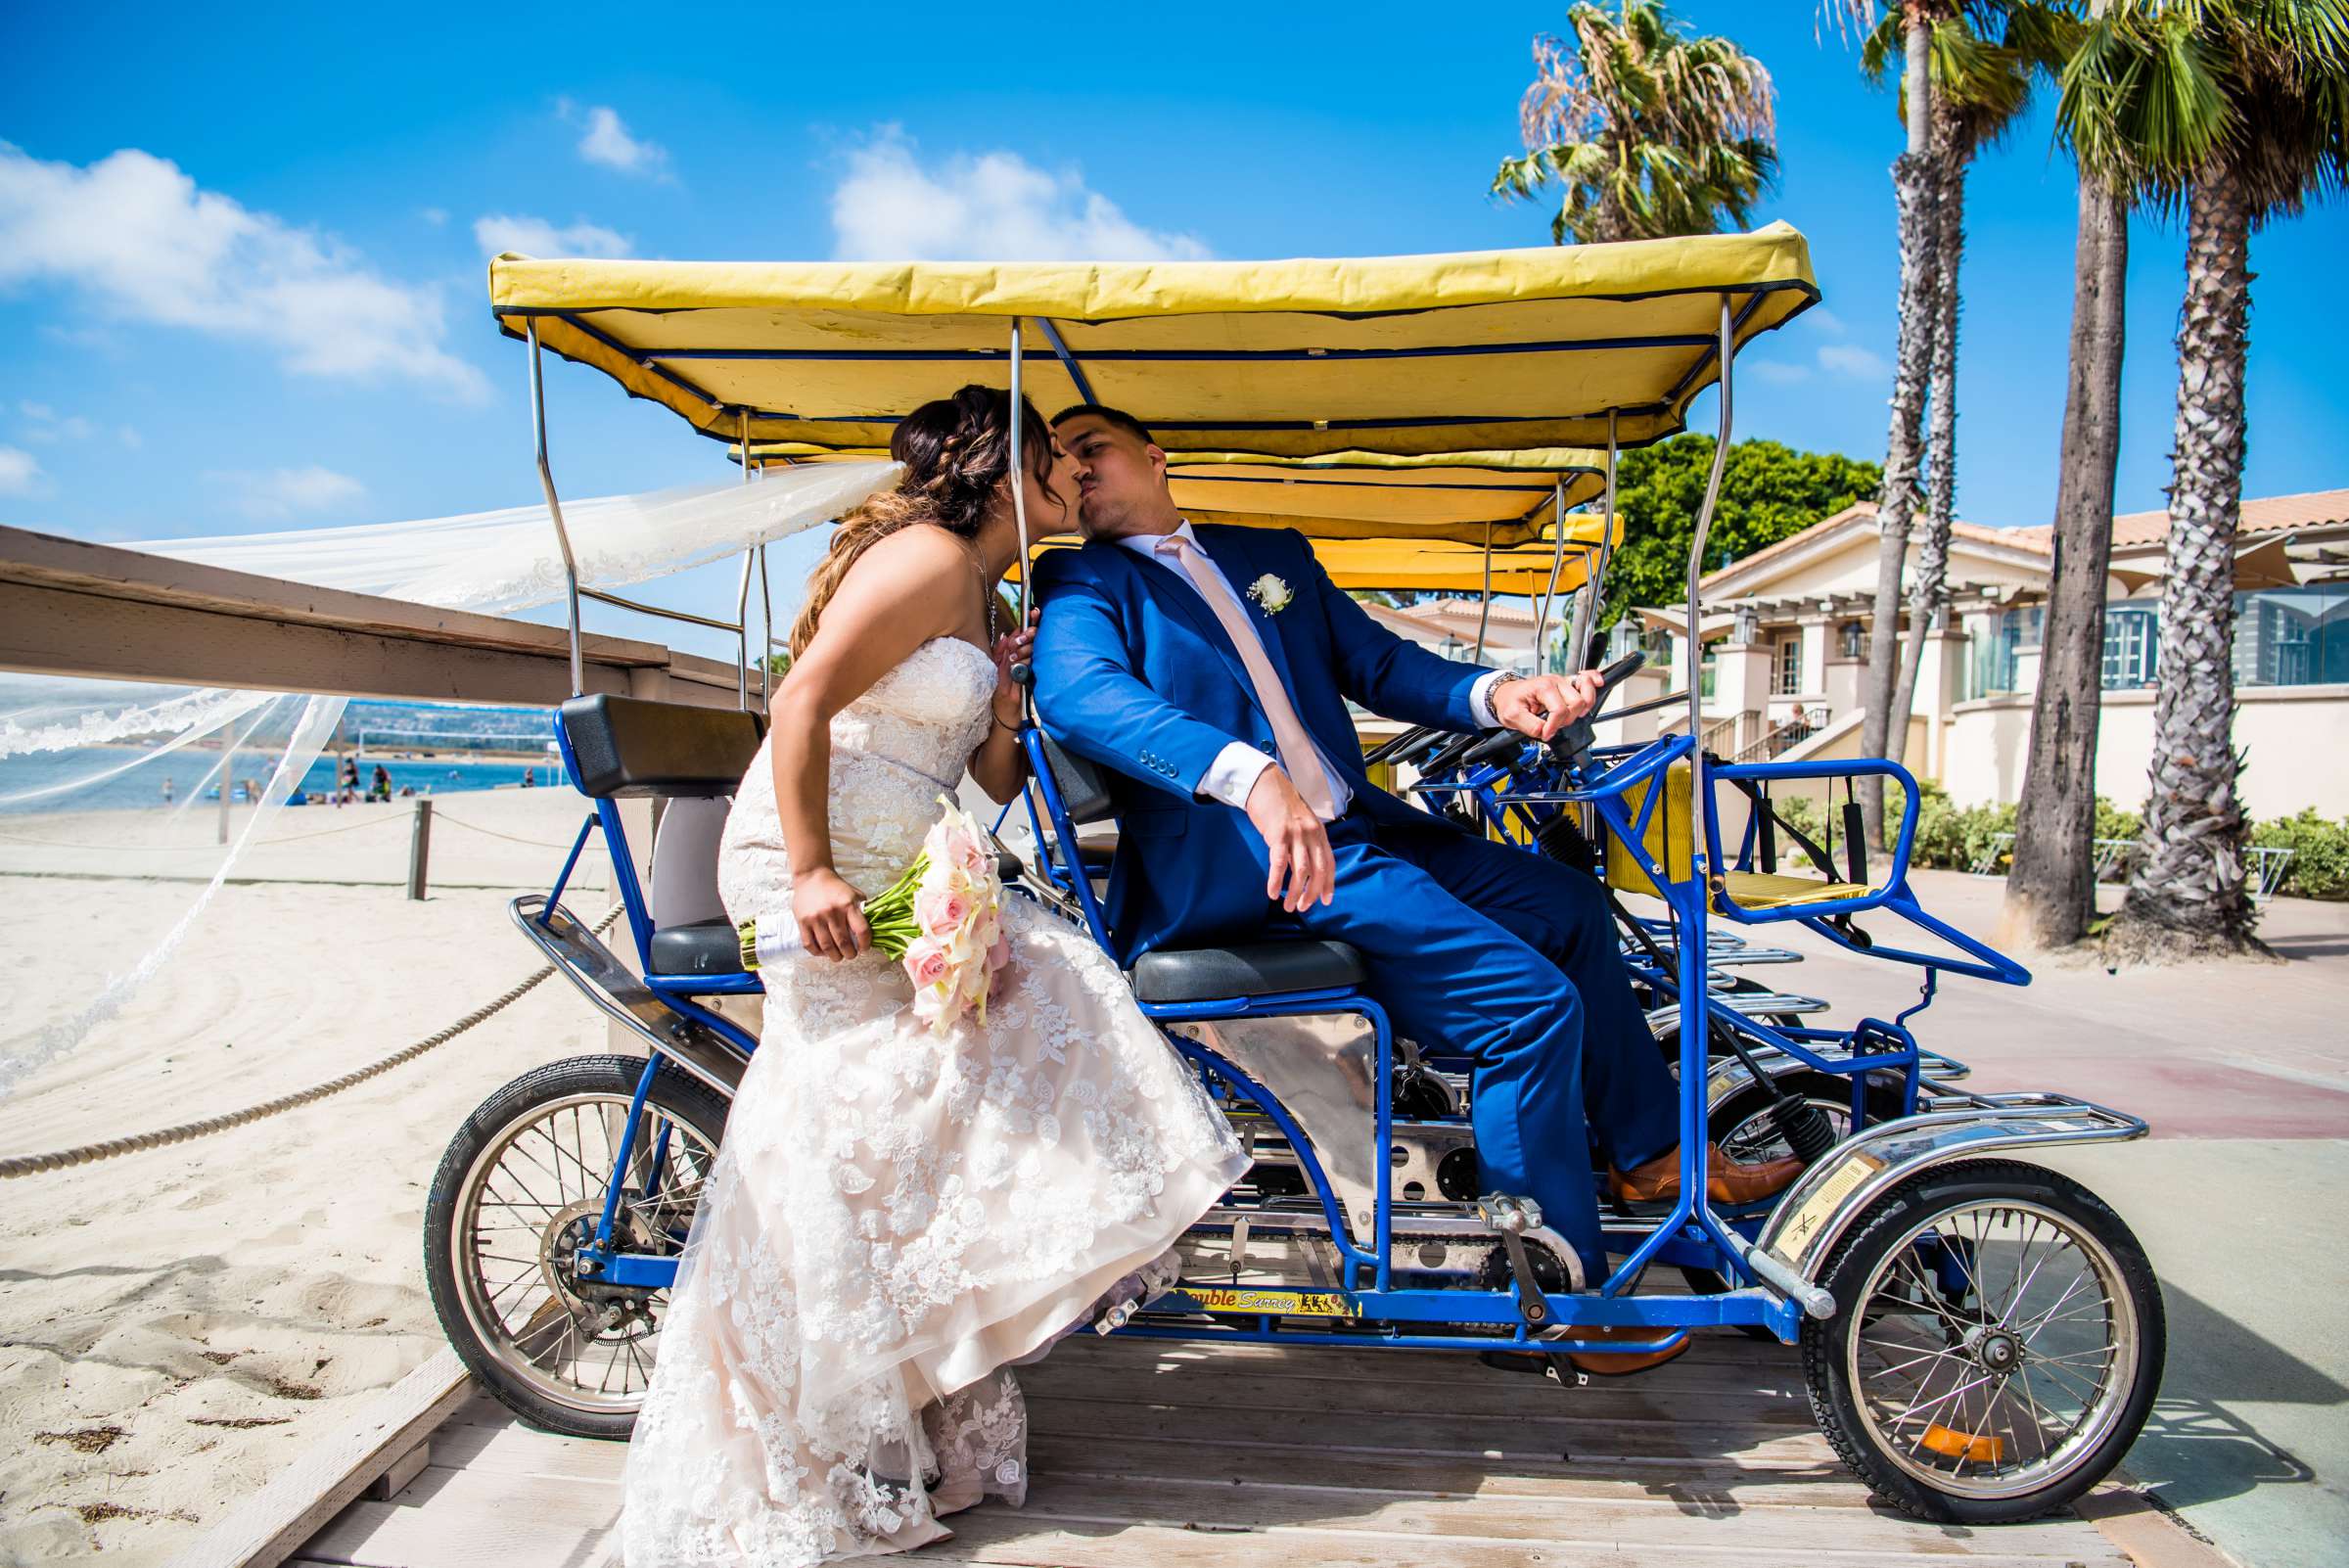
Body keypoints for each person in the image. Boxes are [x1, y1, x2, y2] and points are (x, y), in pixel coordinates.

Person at [1031, 404, 1802, 1374]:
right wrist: (1249, 776)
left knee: (1567, 908)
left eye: (1090, 448)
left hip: (1363, 830)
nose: (1075, 471)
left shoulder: (1267, 555)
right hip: (1258, 868)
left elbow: (1382, 664)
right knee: (1526, 1013)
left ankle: (1651, 1155)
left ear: (1156, 456)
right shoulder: (1079, 578)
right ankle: (1552, 1298)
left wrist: (1499, 694)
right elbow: (1080, 693)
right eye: (1057, 462)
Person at [622, 388, 1246, 1566]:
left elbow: (996, 782)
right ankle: (819, 1402)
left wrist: (1004, 700)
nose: (1073, 475)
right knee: (918, 1070)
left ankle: (899, 1373)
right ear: (1005, 470)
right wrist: (809, 872)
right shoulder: (921, 557)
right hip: (816, 854)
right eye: (1054, 459)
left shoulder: (988, 588)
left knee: (1012, 1013)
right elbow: (800, 701)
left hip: (910, 857)